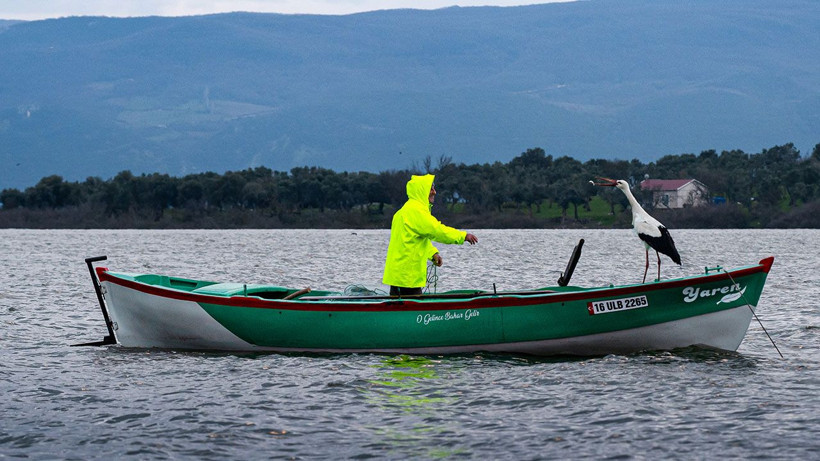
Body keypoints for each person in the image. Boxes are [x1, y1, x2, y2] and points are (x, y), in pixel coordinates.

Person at [383, 174, 478, 296]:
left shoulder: (403, 212)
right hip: (408, 278)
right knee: (413, 311)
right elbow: (437, 231)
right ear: (422, 191)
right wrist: (463, 236)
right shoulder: (416, 212)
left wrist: (432, 253)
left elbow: (415, 240)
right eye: (431, 188)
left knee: (397, 310)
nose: (435, 192)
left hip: (398, 276)